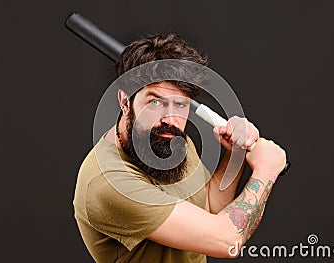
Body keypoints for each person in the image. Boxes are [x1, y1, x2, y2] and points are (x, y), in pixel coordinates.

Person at [73, 34, 287, 262]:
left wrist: (235, 154)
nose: (170, 118)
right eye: (155, 102)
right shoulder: (108, 182)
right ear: (125, 102)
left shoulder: (167, 139)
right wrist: (266, 171)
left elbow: (209, 208)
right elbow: (227, 241)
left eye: (180, 104)